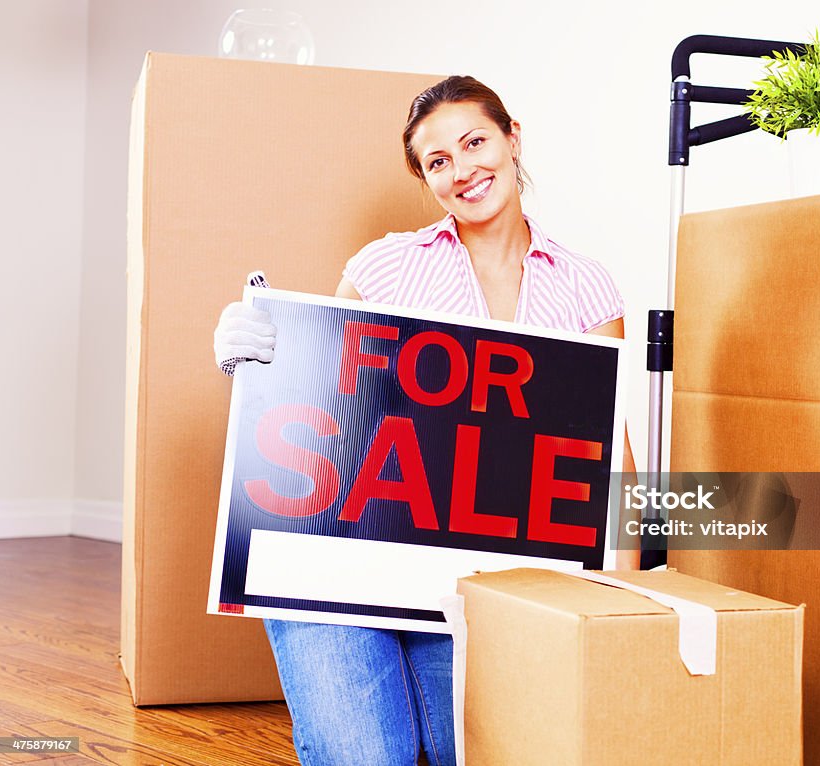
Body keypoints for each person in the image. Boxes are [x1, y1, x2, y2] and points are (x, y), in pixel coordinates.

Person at [213, 75, 638, 766]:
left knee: (456, 754)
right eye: (438, 161)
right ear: (425, 178)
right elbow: (324, 404)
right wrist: (254, 358)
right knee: (370, 756)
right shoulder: (386, 266)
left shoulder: (586, 287)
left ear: (512, 138)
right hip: (349, 565)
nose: (463, 169)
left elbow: (609, 461)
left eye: (475, 142)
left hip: (484, 584)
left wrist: (621, 608)